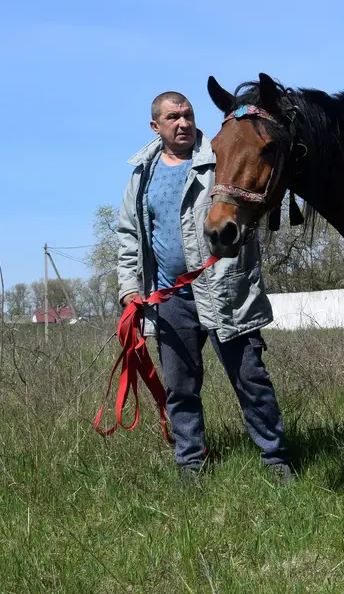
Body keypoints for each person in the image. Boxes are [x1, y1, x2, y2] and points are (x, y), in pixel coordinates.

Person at [116, 90, 293, 483]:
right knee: (180, 388)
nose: (183, 123)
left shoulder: (218, 157)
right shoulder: (141, 174)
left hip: (224, 291)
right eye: (173, 117)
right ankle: (190, 464)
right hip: (169, 298)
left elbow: (249, 198)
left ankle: (276, 460)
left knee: (251, 380)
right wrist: (130, 287)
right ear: (155, 126)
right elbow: (129, 235)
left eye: (188, 115)